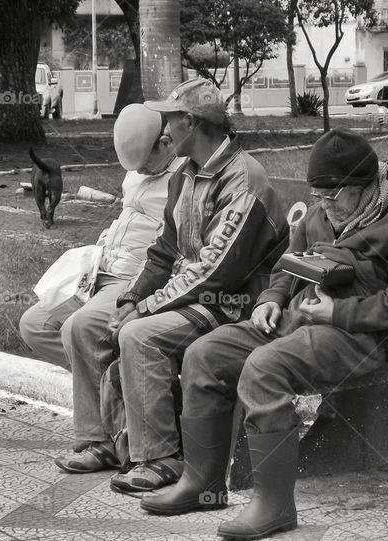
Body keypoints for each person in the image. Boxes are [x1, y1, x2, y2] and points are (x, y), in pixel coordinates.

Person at [140, 128, 388, 540]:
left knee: (264, 369)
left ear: (364, 185)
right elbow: (286, 266)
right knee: (204, 354)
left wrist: (340, 311)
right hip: (294, 320)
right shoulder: (324, 209)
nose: (323, 204)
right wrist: (271, 299)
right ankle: (202, 483)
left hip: (359, 337)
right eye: (317, 195)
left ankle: (275, 506)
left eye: (333, 196)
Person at [105, 78, 289, 493]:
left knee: (140, 336)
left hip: (233, 304)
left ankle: (162, 459)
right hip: (196, 296)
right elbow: (164, 249)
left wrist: (145, 309)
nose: (164, 132)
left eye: (169, 120)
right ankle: (123, 445)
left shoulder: (242, 180)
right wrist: (131, 298)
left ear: (190, 122)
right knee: (116, 327)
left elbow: (215, 273)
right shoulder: (185, 174)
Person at [18, 103, 180, 470]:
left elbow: (170, 248)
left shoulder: (184, 176)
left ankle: (99, 440)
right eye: (132, 167)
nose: (138, 172)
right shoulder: (136, 172)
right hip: (102, 268)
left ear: (166, 143)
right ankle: (118, 388)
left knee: (81, 326)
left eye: (145, 163)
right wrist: (102, 245)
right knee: (35, 324)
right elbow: (128, 215)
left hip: (135, 279)